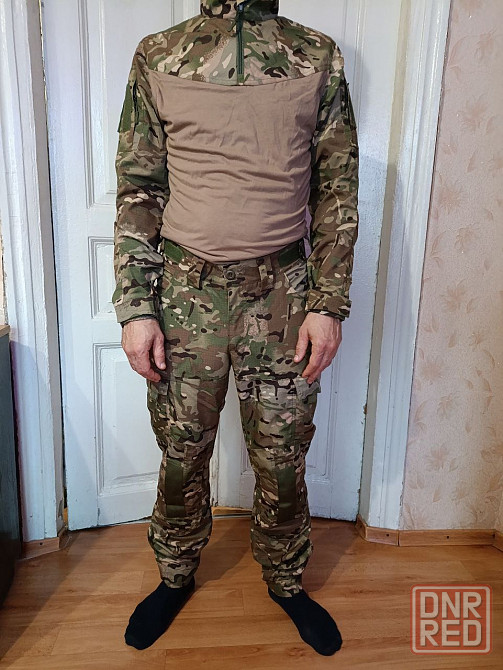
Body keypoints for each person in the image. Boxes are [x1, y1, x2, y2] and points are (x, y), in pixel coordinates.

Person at [112, 0, 359, 657]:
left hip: (283, 293)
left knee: (281, 454)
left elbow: (336, 189)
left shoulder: (315, 56)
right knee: (181, 448)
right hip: (185, 293)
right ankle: (174, 574)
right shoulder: (160, 55)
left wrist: (328, 303)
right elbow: (139, 188)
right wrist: (136, 307)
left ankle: (286, 581)